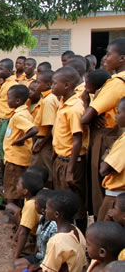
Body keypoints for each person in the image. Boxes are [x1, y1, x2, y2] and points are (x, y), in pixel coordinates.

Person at [82, 38, 125, 218]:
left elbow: (86, 117)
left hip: (106, 136)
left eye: (109, 54)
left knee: (102, 185)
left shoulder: (116, 82)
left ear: (122, 58)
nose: (105, 58)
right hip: (114, 133)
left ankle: (102, 229)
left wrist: (86, 100)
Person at [51, 66, 87, 232]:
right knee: (62, 201)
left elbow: (77, 139)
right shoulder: (64, 103)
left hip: (71, 162)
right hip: (61, 159)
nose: (52, 86)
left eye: (54, 83)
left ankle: (79, 237)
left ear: (66, 85)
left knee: (74, 204)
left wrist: (70, 170)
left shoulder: (74, 108)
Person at [33, 190, 86, 272]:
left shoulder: (56, 241)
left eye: (47, 208)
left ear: (56, 214)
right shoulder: (77, 231)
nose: (45, 210)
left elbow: (48, 270)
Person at [3, 84, 38, 204]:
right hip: (20, 157)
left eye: (9, 98)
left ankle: (11, 215)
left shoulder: (19, 116)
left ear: (18, 100)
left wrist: (20, 140)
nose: (7, 101)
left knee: (11, 186)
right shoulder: (24, 112)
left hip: (15, 158)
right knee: (17, 184)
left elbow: (33, 130)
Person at [13, 189, 57, 269]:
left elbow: (52, 255)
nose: (34, 204)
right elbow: (39, 239)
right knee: (16, 264)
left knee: (22, 268)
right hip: (40, 255)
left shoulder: (54, 227)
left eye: (36, 203)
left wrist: (37, 266)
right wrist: (34, 257)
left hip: (47, 261)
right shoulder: (42, 218)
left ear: (43, 210)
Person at [97, 97, 125, 220]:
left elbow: (104, 169)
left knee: (105, 235)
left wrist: (107, 154)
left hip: (116, 196)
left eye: (118, 112)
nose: (116, 116)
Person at [31, 70, 59, 185]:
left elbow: (49, 126)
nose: (36, 85)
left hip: (44, 140)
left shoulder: (49, 100)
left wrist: (40, 144)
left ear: (48, 84)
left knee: (44, 170)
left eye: (38, 82)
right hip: (41, 139)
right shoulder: (44, 98)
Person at [0, 58, 18, 185]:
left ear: (9, 70)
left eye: (1, 68)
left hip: (8, 120)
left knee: (5, 148)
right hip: (1, 120)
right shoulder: (2, 83)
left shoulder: (12, 84)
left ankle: (5, 176)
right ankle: (2, 174)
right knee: (1, 147)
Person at [12, 172, 44, 259]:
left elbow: (24, 232)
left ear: (26, 191)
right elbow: (23, 224)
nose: (16, 186)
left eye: (18, 184)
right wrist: (15, 238)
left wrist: (16, 256)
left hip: (38, 237)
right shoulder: (32, 196)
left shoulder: (31, 204)